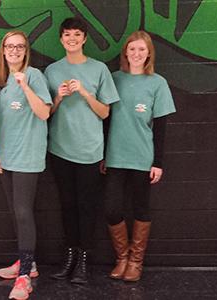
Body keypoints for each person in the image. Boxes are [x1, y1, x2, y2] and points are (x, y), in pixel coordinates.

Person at [44, 17, 119, 284]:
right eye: (67, 35)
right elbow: (45, 113)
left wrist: (86, 94)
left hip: (90, 151)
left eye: (77, 34)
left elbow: (105, 111)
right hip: (60, 150)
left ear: (84, 38)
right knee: (67, 206)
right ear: (61, 39)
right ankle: (70, 258)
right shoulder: (52, 71)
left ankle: (84, 261)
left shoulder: (99, 70)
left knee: (87, 206)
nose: (72, 39)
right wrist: (58, 97)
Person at [102, 30, 176, 282]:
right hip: (114, 157)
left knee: (141, 208)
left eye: (141, 50)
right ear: (125, 52)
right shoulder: (113, 79)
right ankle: (122, 258)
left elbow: (162, 126)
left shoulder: (158, 83)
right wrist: (101, 154)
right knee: (112, 209)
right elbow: (104, 119)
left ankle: (136, 261)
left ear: (148, 54)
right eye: (132, 49)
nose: (136, 54)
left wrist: (158, 163)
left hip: (142, 158)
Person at [0, 31, 52, 299]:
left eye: (19, 46)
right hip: (7, 155)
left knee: (23, 212)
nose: (14, 50)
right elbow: (3, 120)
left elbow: (44, 113)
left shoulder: (35, 76)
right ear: (3, 51)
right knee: (16, 213)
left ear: (26, 50)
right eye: (9, 46)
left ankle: (25, 276)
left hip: (28, 155)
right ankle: (28, 262)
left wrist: (26, 86)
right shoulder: (1, 81)